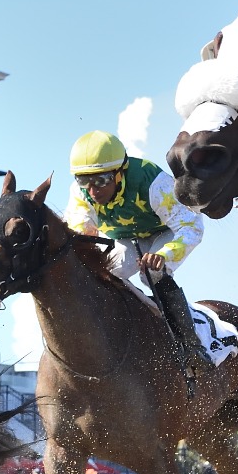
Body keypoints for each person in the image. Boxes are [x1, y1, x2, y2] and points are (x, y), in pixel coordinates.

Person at [64, 129, 213, 388]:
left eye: (101, 181)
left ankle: (191, 347)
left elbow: (192, 226)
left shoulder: (151, 182)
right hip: (125, 239)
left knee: (150, 274)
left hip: (166, 232)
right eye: (84, 181)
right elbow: (81, 237)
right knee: (100, 275)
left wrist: (163, 255)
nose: (92, 190)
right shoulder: (81, 193)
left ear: (120, 173)